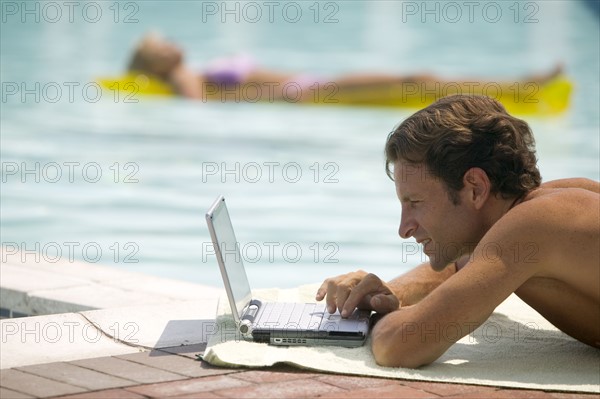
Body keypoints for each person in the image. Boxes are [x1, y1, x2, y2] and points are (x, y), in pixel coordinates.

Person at [315, 95, 599, 368]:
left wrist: (373, 320)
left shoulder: (535, 224)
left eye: (415, 202)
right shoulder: (535, 214)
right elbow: (460, 266)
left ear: (475, 188)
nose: (404, 229)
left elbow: (398, 345)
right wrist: (392, 293)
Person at [126, 33, 563, 104]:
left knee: (419, 80)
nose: (171, 45)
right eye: (160, 47)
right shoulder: (184, 76)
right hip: (311, 92)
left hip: (311, 87)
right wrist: (276, 97)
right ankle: (516, 89)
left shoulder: (197, 68)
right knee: (415, 81)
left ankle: (515, 88)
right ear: (156, 63)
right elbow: (199, 106)